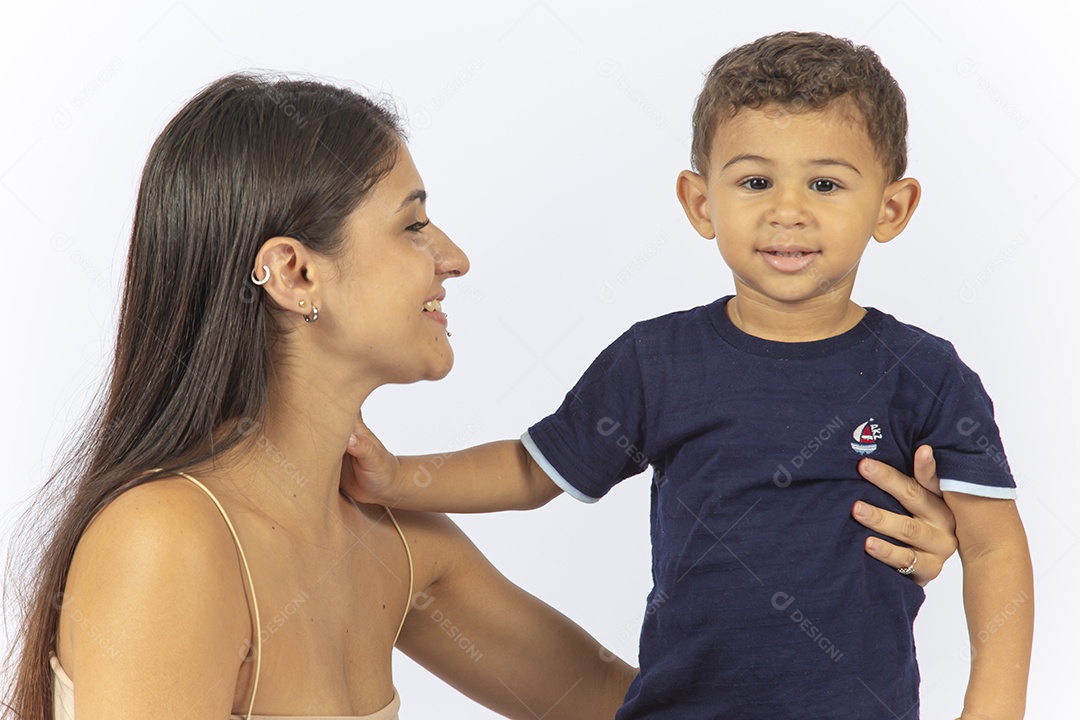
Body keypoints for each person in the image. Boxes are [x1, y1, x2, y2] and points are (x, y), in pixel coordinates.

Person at [4, 72, 958, 720]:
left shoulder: (394, 545)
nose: (452, 256)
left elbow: (624, 702)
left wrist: (839, 555)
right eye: (414, 224)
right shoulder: (169, 541)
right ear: (295, 275)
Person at [343, 33, 1034, 719]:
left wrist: (993, 708)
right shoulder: (656, 360)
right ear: (701, 203)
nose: (787, 210)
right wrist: (397, 476)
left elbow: (994, 544)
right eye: (755, 181)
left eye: (825, 183)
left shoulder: (925, 372)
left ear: (892, 208)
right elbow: (531, 471)